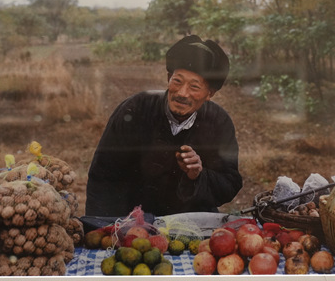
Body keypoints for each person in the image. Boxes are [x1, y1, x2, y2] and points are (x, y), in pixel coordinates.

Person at [85, 35, 243, 217]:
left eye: (194, 87)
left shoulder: (218, 122)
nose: (182, 93)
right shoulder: (135, 109)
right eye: (177, 81)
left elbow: (230, 183)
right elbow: (103, 176)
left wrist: (197, 175)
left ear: (210, 94)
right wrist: (102, 229)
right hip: (133, 222)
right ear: (169, 77)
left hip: (191, 223)